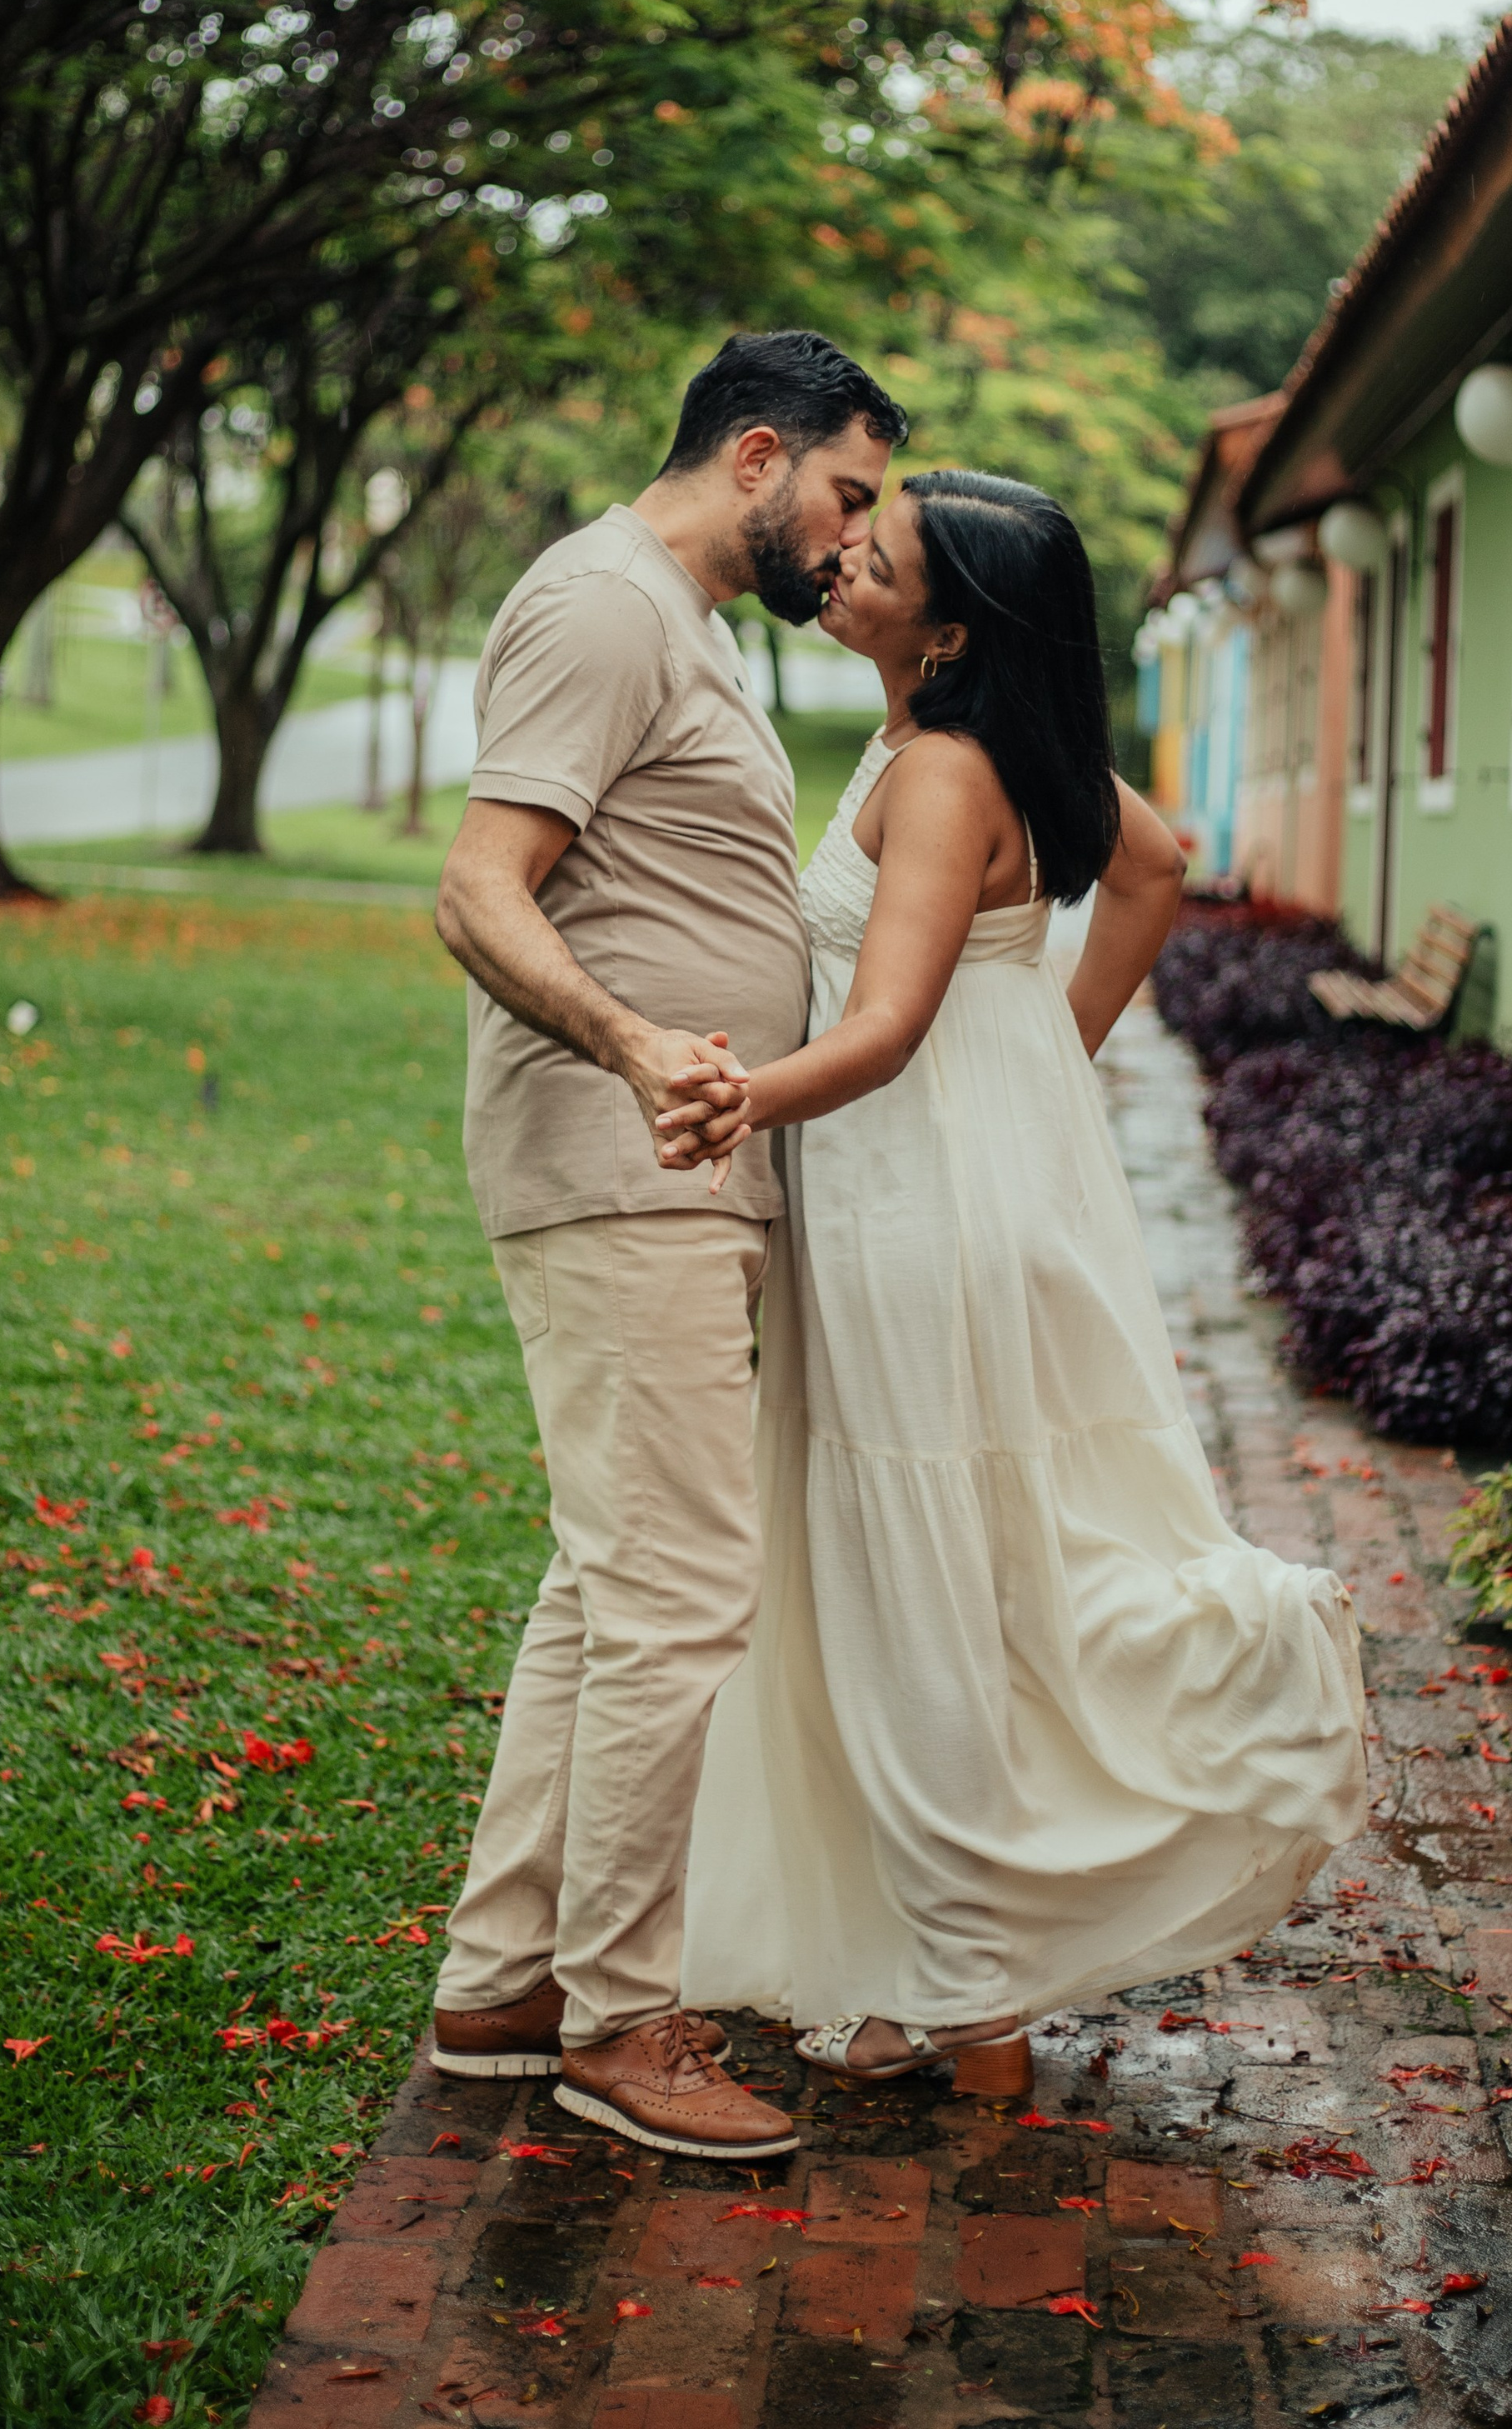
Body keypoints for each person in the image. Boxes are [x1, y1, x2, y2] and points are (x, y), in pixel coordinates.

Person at [657, 470, 1368, 2087]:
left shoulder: (946, 770)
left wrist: (732, 1101)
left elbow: (890, 1022)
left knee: (920, 1573)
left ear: (952, 625)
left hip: (913, 1198)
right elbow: (1162, 862)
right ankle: (951, 1961)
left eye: (879, 555)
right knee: (945, 1557)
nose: (840, 556)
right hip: (943, 1174)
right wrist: (1041, 1053)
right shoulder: (958, 739)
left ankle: (966, 1991)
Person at [425, 330, 907, 2162]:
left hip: (684, 1168)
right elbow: (478, 888)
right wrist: (635, 1045)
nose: (848, 539)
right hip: (624, 1160)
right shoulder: (609, 607)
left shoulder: (689, 625)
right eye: (843, 497)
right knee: (683, 1594)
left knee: (607, 1580)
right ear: (758, 454)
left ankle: (504, 1983)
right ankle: (622, 2024)